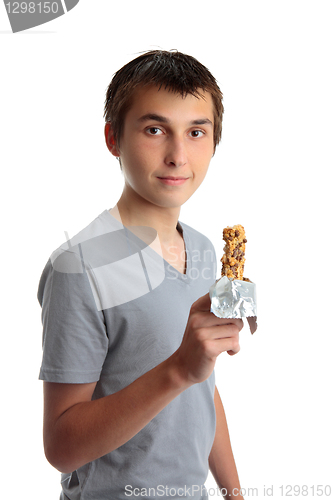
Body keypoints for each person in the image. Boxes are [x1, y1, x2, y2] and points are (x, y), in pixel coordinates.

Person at [38, 50, 245, 500]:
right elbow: (61, 447)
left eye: (196, 132)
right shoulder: (78, 267)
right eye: (155, 130)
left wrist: (235, 493)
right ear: (114, 138)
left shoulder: (207, 252)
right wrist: (177, 369)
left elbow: (203, 388)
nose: (177, 155)